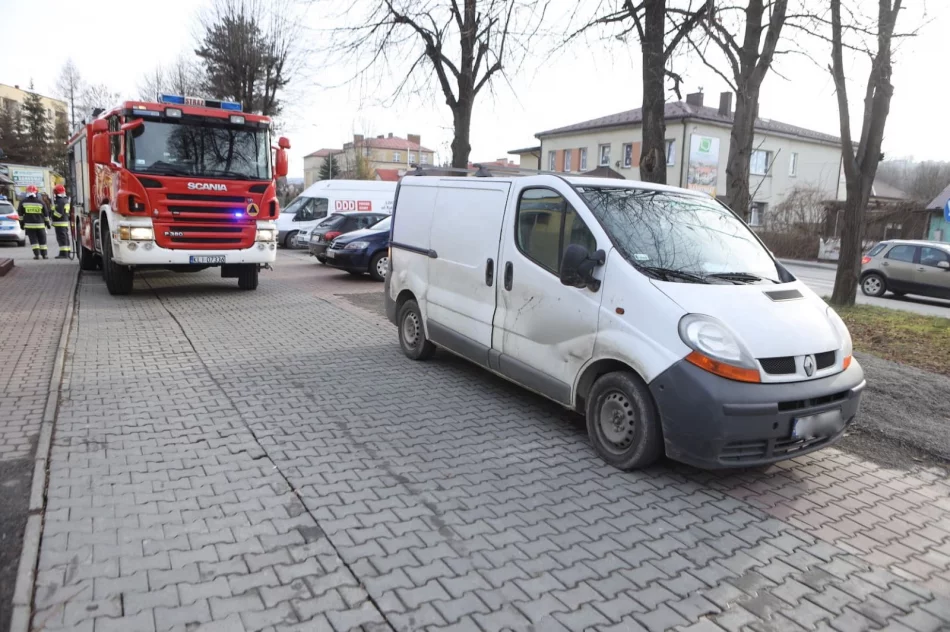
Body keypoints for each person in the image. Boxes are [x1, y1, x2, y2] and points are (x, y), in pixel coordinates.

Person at [17, 185, 51, 259]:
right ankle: (44, 255)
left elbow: (20, 214)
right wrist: (48, 224)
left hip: (29, 226)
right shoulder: (41, 202)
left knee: (33, 240)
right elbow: (46, 214)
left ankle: (36, 255)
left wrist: (21, 224)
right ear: (36, 192)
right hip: (40, 225)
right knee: (42, 240)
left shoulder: (23, 202)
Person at [50, 184, 72, 259]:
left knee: (61, 238)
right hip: (63, 222)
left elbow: (58, 213)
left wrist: (52, 214)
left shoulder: (60, 201)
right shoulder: (64, 200)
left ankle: (64, 254)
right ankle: (66, 252)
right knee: (64, 237)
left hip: (60, 222)